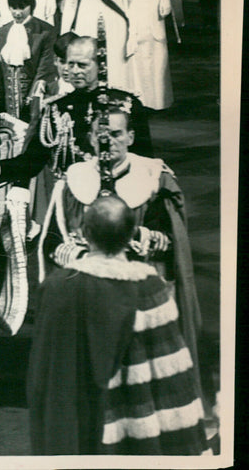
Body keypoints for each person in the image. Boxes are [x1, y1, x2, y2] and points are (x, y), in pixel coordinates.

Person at [38, 100, 203, 401]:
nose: (108, 142)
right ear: (89, 138)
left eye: (115, 134)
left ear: (130, 137)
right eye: (101, 135)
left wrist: (139, 237)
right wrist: (77, 255)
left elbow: (171, 241)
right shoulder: (72, 181)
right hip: (87, 291)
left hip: (139, 292)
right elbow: (51, 242)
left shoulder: (154, 178)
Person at [28, 194, 207, 454]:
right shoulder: (150, 286)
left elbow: (44, 367)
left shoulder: (56, 287)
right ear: (131, 234)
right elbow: (170, 373)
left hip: (76, 415)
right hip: (132, 416)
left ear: (84, 233)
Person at [0, 36, 152, 185]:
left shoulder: (127, 105)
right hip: (73, 199)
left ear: (99, 65)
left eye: (82, 65)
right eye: (71, 64)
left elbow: (145, 161)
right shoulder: (55, 109)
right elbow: (32, 161)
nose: (74, 71)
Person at [0, 0, 57, 121]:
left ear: (32, 5)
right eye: (13, 7)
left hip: (35, 102)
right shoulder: (1, 32)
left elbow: (44, 70)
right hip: (8, 102)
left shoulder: (45, 32)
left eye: (22, 7)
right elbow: (1, 71)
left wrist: (31, 100)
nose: (17, 13)